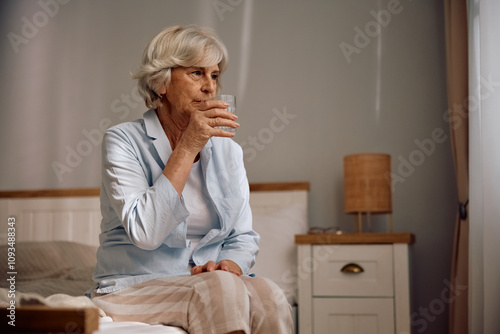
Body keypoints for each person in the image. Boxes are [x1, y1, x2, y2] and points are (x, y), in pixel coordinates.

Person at [88, 25, 293, 334]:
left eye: (214, 75)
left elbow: (242, 237)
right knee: (218, 289)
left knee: (271, 296)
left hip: (209, 282)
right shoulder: (123, 140)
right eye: (197, 73)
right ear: (162, 83)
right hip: (134, 288)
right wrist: (188, 146)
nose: (210, 86)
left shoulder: (229, 151)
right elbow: (146, 231)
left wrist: (230, 266)